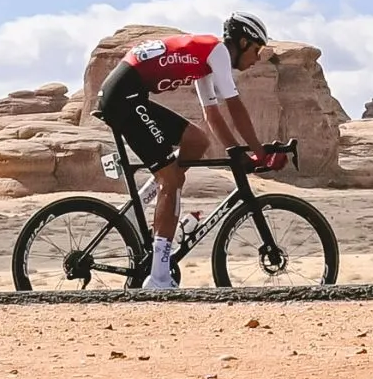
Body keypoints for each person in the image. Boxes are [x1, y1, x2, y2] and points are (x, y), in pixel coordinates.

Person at [93, 15, 272, 287]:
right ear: (243, 41)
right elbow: (234, 106)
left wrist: (236, 151)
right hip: (124, 97)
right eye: (256, 50)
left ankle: (141, 205)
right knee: (172, 180)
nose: (257, 59)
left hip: (127, 93)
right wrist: (259, 151)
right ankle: (160, 276)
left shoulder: (206, 59)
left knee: (196, 141)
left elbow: (212, 116)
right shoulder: (219, 52)